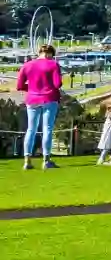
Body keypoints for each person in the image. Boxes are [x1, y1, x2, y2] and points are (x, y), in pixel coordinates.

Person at [16, 42, 63, 170]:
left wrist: (31, 88)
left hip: (32, 99)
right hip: (49, 98)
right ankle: (46, 160)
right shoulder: (53, 64)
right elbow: (57, 84)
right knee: (47, 128)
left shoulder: (27, 65)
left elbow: (19, 86)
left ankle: (27, 161)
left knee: (31, 129)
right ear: (49, 54)